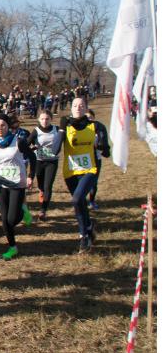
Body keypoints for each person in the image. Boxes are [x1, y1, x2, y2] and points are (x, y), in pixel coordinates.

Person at [58, 97, 110, 252]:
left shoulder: (96, 126)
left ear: (86, 108)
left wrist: (100, 145)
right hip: (70, 171)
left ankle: (83, 236)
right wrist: (61, 130)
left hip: (90, 169)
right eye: (75, 105)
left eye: (81, 105)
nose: (78, 107)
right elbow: (55, 150)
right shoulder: (66, 125)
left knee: (76, 199)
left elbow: (106, 152)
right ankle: (88, 227)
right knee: (79, 202)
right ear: (71, 108)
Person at [0, 114, 36, 260]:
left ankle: (22, 210)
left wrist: (31, 176)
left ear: (8, 126)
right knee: (4, 220)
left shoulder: (18, 141)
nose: (0, 128)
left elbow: (32, 157)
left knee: (11, 219)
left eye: (3, 125)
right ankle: (12, 247)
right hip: (1, 185)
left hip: (17, 183)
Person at [27, 110, 61, 220]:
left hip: (52, 161)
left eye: (47, 119)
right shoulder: (36, 131)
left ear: (51, 119)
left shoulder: (57, 129)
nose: (45, 121)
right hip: (39, 161)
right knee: (41, 186)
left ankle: (43, 210)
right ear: (39, 119)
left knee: (48, 186)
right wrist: (32, 148)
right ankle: (41, 192)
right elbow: (26, 144)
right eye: (42, 119)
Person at [85, 109, 108, 210]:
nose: (89, 119)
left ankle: (92, 201)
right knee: (83, 182)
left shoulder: (99, 128)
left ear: (94, 117)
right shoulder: (80, 129)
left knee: (93, 182)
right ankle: (82, 201)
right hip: (84, 159)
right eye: (86, 117)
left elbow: (103, 143)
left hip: (96, 158)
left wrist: (99, 146)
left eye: (90, 117)